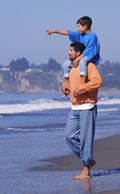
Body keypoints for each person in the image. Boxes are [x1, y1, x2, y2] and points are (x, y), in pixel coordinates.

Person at [62, 42, 102, 179]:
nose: (68, 52)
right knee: (69, 136)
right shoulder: (72, 68)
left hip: (87, 107)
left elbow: (97, 81)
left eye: (71, 50)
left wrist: (82, 88)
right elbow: (71, 84)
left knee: (86, 138)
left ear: (78, 53)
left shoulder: (89, 66)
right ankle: (88, 159)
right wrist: (66, 87)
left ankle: (86, 170)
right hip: (74, 107)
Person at [46, 16, 100, 84]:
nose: (78, 29)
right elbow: (67, 32)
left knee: (82, 61)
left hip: (90, 56)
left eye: (79, 26)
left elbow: (89, 50)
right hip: (81, 56)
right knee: (65, 64)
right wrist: (53, 31)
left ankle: (82, 83)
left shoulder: (92, 36)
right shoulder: (80, 34)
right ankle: (68, 83)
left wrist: (78, 59)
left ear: (85, 26)